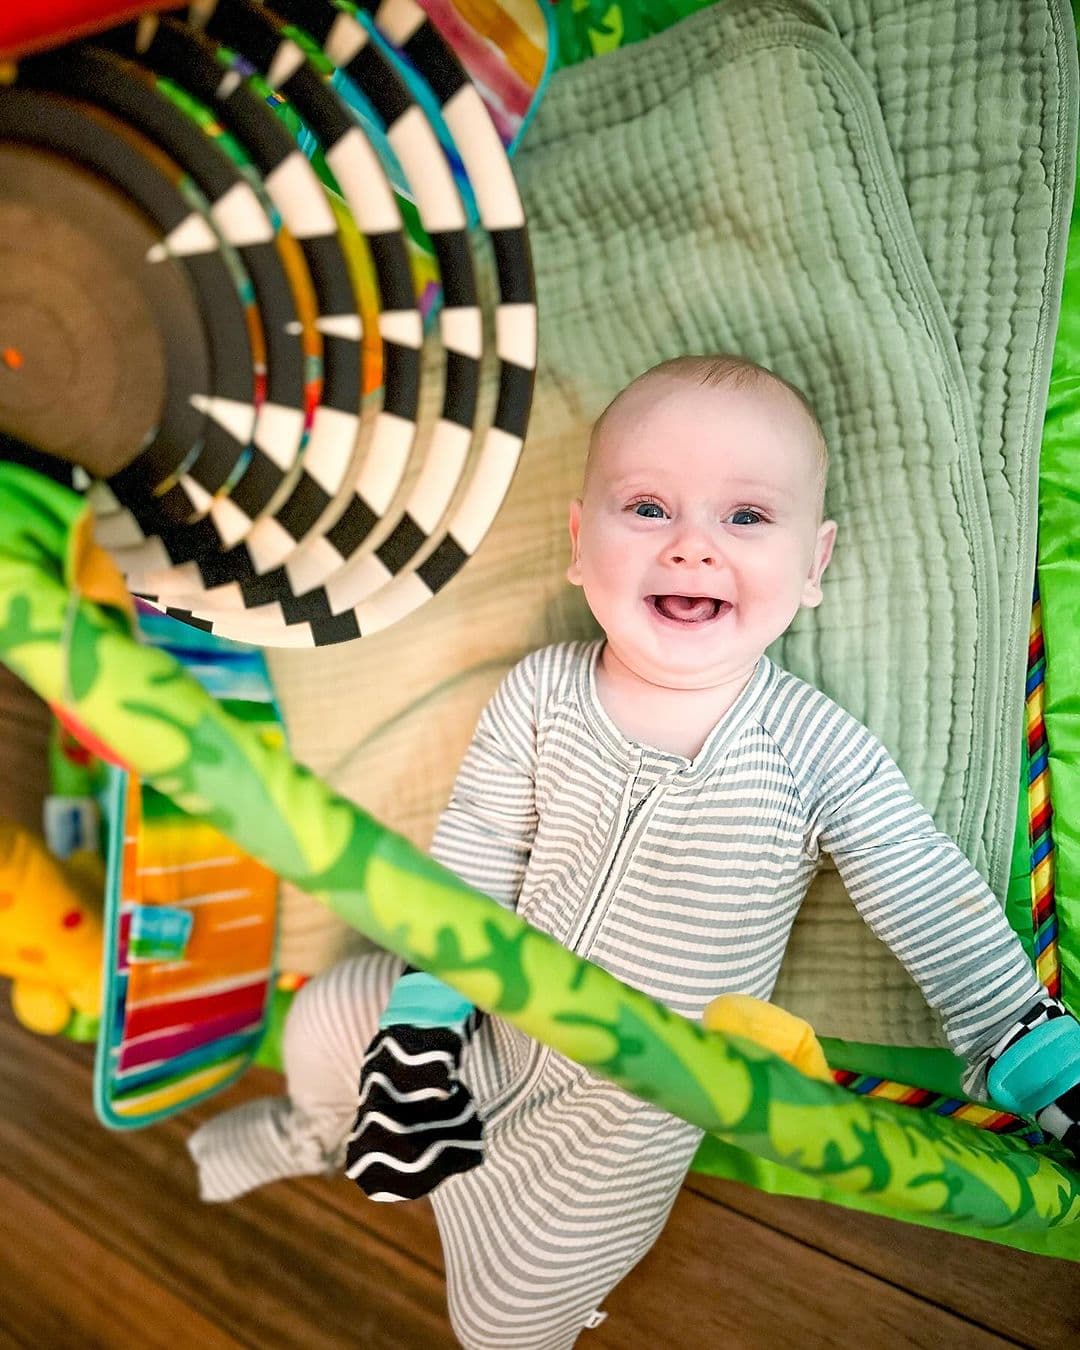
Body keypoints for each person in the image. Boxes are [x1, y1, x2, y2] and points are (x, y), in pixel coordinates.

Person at [188, 355, 1080, 1349]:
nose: (694, 547)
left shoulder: (815, 747)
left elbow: (921, 888)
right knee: (325, 1017)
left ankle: (513, 1291)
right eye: (648, 508)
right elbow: (473, 857)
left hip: (617, 1118)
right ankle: (326, 1132)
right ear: (579, 543)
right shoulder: (540, 693)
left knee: (500, 1321)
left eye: (746, 518)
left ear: (814, 566)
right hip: (478, 1030)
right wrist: (418, 1031)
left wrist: (1029, 1051)